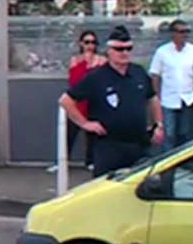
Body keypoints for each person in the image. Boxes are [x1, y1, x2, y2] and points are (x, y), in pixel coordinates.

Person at [58, 26, 164, 176]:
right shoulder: (97, 77)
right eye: (119, 49)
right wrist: (85, 123)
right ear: (109, 51)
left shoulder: (138, 72)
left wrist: (159, 125)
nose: (125, 53)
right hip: (109, 146)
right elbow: (66, 100)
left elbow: (152, 98)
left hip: (139, 144)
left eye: (128, 49)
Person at [148, 19, 193, 150]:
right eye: (181, 32)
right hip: (168, 100)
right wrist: (158, 97)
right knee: (169, 135)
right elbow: (155, 75)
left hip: (187, 99)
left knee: (186, 134)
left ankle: (186, 167)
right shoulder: (162, 52)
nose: (184, 35)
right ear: (173, 34)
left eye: (187, 31)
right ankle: (169, 166)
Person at [62, 30, 105, 168]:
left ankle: (90, 161)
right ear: (81, 44)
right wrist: (84, 64)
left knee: (92, 135)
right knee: (69, 134)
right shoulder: (75, 60)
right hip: (78, 103)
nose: (90, 46)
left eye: (93, 42)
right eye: (87, 42)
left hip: (94, 103)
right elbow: (74, 82)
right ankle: (63, 161)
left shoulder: (102, 60)